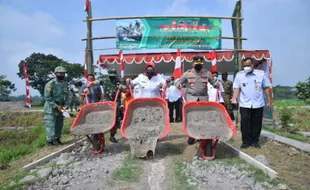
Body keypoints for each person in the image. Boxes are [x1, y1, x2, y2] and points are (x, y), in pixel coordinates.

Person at [175, 56, 218, 150]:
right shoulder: (187, 74)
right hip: (191, 99)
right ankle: (192, 136)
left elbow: (214, 82)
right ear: (193, 63)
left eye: (200, 64)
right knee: (192, 119)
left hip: (203, 99)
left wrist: (217, 85)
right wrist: (178, 84)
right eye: (196, 63)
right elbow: (178, 81)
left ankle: (202, 135)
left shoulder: (206, 73)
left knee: (203, 118)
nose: (198, 65)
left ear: (202, 64)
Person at [231, 57, 272, 149]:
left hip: (258, 103)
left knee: (256, 123)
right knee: (245, 123)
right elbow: (237, 88)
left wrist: (269, 100)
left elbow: (266, 87)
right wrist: (234, 98)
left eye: (248, 65)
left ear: (253, 65)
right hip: (244, 104)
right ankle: (246, 142)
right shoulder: (239, 75)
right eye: (245, 66)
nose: (246, 67)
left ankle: (255, 141)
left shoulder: (260, 74)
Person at [87, 68, 125, 143]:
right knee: (104, 116)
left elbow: (124, 89)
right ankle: (100, 133)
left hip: (115, 101)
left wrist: (122, 87)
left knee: (115, 119)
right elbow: (93, 83)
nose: (111, 77)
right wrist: (87, 87)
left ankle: (112, 135)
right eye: (110, 75)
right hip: (106, 101)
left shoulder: (119, 81)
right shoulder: (104, 80)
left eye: (113, 75)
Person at [43, 66, 69, 146]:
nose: (62, 75)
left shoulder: (64, 84)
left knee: (59, 124)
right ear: (56, 74)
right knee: (50, 124)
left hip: (61, 107)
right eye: (60, 73)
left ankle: (57, 139)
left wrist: (66, 106)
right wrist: (55, 106)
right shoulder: (50, 84)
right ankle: (50, 141)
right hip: (51, 108)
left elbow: (67, 96)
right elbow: (47, 96)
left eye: (63, 73)